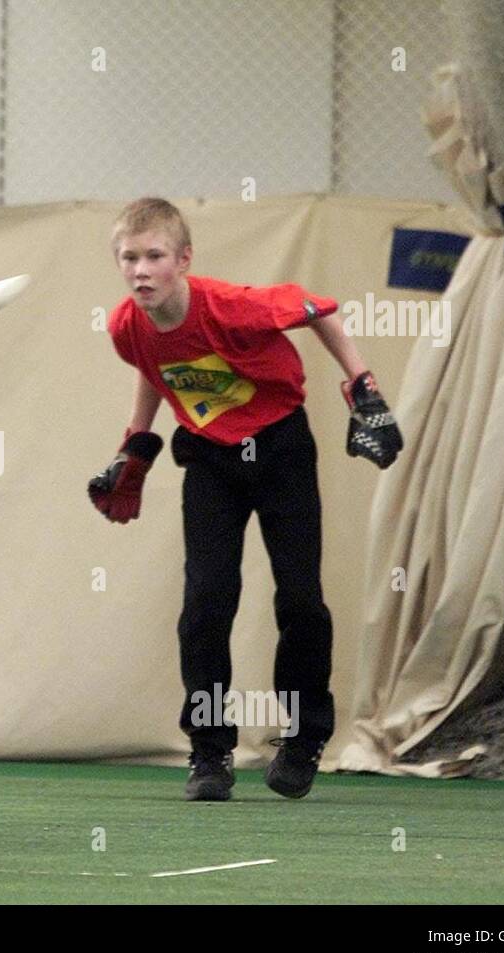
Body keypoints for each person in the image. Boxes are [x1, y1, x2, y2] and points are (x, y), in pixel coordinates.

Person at [89, 197, 402, 801]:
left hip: (281, 446)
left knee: (301, 599)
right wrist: (137, 447)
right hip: (210, 457)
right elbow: (156, 370)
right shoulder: (127, 326)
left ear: (183, 259)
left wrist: (363, 391)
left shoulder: (231, 306)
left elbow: (320, 311)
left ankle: (303, 737)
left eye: (155, 256)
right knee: (207, 599)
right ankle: (209, 752)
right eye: (129, 258)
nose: (141, 270)